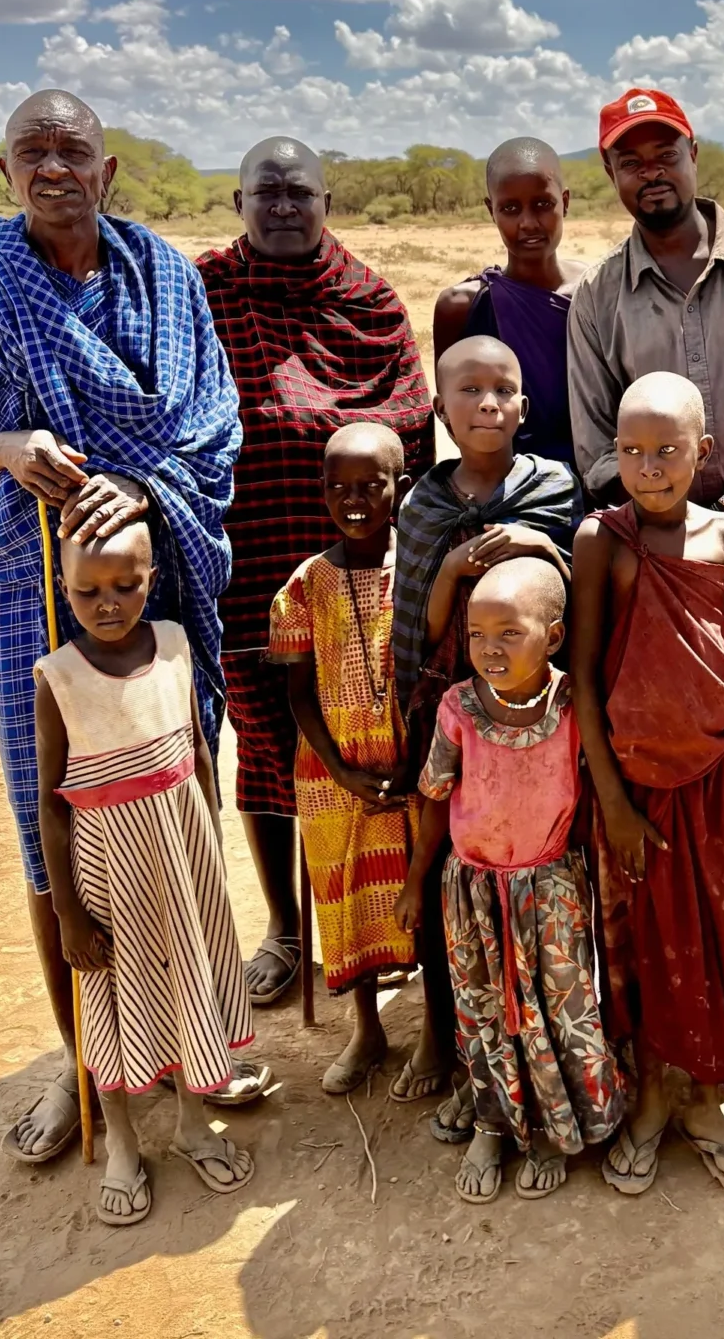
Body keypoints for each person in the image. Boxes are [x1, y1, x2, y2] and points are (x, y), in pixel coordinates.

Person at [0, 90, 249, 1166]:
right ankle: (85, 1067)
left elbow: (213, 422)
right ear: (6, 170)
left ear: (108, 172)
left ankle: (188, 1049)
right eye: (32, 152)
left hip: (157, 576)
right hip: (31, 581)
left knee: (167, 805)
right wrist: (5, 450)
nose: (53, 167)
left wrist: (140, 489)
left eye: (73, 151)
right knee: (48, 819)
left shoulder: (167, 278)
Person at [198, 136, 432, 1009]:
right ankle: (287, 930)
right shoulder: (204, 295)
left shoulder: (370, 301)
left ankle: (385, 923)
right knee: (268, 747)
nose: (285, 206)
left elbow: (412, 429)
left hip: (363, 571)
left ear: (328, 201)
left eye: (301, 192)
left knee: (373, 744)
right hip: (249, 562)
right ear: (239, 203)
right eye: (268, 192)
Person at [570, 371, 724, 1199]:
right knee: (642, 949)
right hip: (634, 792)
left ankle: (708, 1103)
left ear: (704, 452)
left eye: (667, 451)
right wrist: (614, 802)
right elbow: (582, 677)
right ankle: (652, 1098)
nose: (648, 469)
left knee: (716, 941)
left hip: (716, 781)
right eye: (631, 451)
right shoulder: (601, 540)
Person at [34, 514, 255, 1225]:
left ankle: (192, 1123)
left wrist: (211, 848)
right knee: (113, 1002)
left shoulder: (175, 645)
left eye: (126, 586)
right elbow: (50, 804)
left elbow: (198, 753)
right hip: (109, 877)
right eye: (88, 591)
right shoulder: (58, 677)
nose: (108, 603)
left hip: (183, 860)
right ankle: (124, 1144)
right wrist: (68, 911)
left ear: (151, 579)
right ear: (64, 586)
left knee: (187, 981)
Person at [390, 334, 581, 1119]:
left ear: (524, 407)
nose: (488, 403)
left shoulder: (555, 488)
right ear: (440, 408)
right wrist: (454, 566)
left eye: (503, 389)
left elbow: (575, 602)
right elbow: (421, 625)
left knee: (542, 874)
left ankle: (550, 1047)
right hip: (457, 719)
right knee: (451, 874)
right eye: (469, 391)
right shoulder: (424, 503)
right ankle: (446, 1030)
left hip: (539, 723)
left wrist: (539, 545)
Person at [394, 558, 624, 1203]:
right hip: (471, 893)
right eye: (476, 635)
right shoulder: (459, 707)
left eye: (509, 633)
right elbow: (435, 799)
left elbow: (593, 800)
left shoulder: (574, 704)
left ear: (553, 637)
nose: (489, 649)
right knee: (483, 1012)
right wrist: (415, 881)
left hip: (551, 891)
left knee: (561, 1009)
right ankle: (493, 1124)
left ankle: (552, 1128)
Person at [267, 423, 418, 1095]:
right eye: (338, 487)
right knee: (346, 900)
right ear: (321, 491)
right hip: (333, 773)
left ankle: (439, 1030)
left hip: (413, 765)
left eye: (369, 486)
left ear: (399, 488)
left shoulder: (419, 569)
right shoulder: (306, 585)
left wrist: (414, 760)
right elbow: (299, 695)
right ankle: (366, 1028)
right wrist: (342, 770)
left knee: (423, 892)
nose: (353, 500)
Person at [568, 87, 724, 506]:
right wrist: (672, 518)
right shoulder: (595, 297)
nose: (651, 173)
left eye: (666, 155)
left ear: (693, 155)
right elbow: (598, 451)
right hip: (653, 528)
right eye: (631, 163)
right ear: (610, 173)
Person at [433, 137, 588, 470]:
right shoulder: (461, 306)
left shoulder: (594, 291)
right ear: (491, 210)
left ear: (565, 202)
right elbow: (455, 415)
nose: (528, 222)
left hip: (596, 480)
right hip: (504, 484)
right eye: (510, 209)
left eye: (542, 204)